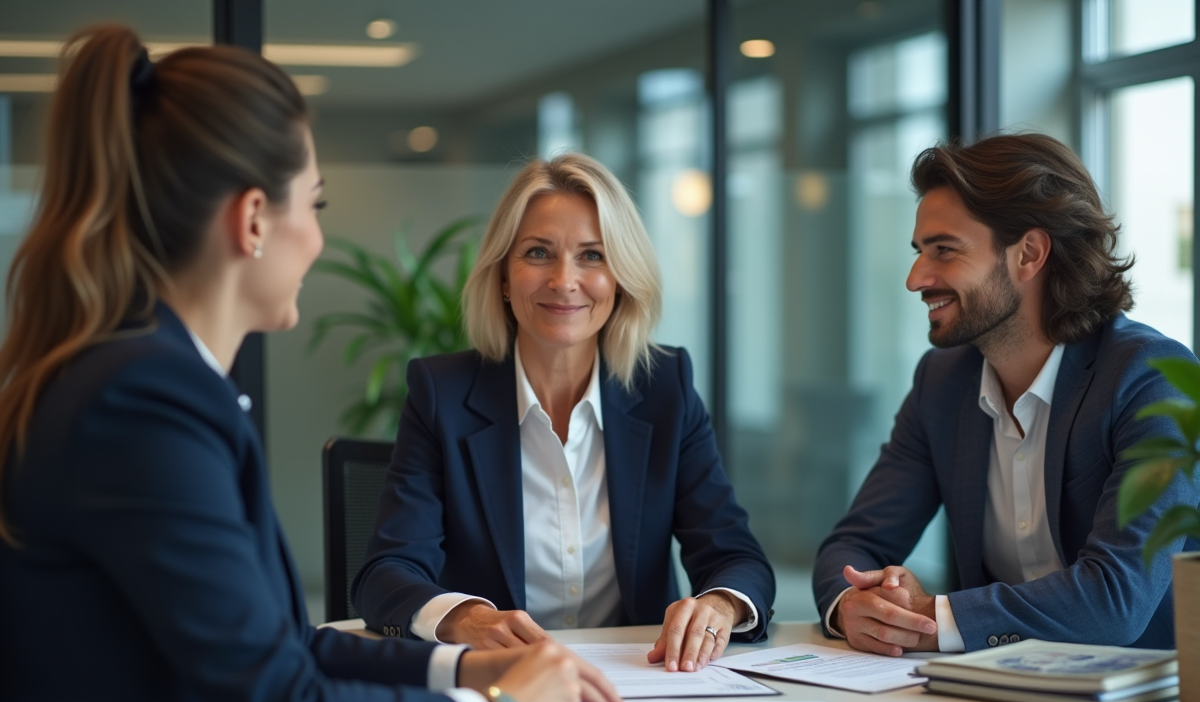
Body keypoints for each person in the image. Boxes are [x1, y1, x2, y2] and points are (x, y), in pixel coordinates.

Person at [0, 26, 624, 702]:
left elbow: (283, 649)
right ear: (254, 219)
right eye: (316, 203)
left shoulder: (156, 381)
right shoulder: (143, 403)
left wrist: (463, 665)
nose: (321, 236)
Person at [353, 153, 775, 673]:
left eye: (592, 256)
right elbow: (386, 573)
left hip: (640, 680)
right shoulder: (441, 393)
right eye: (537, 253)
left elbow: (735, 556)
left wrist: (719, 603)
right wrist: (468, 618)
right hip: (502, 682)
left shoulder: (666, 386)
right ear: (504, 277)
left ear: (620, 278)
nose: (564, 280)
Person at [812, 133, 1200, 656]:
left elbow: (1116, 599)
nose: (915, 278)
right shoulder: (942, 382)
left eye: (944, 250)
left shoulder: (1151, 378)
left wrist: (934, 617)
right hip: (999, 694)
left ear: (1030, 254)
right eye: (919, 252)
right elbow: (854, 544)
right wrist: (855, 605)